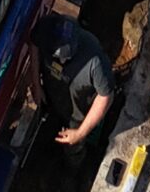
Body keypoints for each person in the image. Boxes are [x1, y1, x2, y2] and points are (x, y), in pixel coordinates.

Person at [31, 13, 116, 165]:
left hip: (78, 114)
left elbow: (105, 96)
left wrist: (80, 133)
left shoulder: (95, 61)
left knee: (73, 147)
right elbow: (34, 44)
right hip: (52, 96)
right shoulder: (48, 28)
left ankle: (73, 164)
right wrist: (36, 84)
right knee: (52, 122)